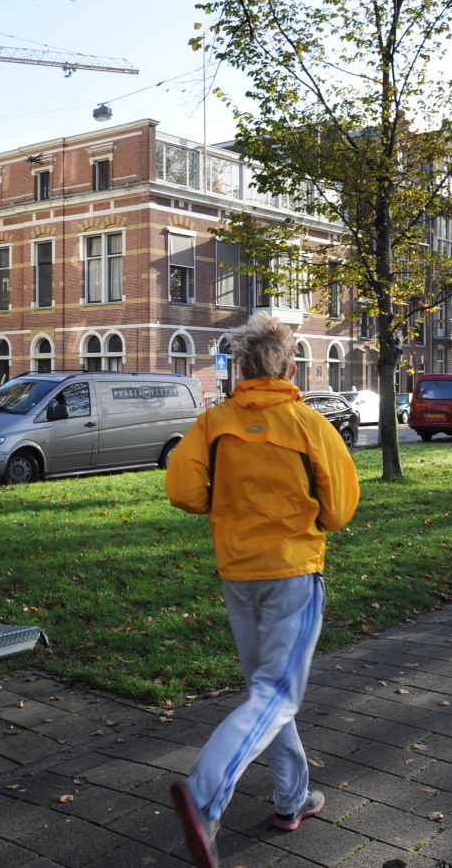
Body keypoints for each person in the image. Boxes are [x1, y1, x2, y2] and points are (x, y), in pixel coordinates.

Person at [163, 313, 360, 868]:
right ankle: (205, 796)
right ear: (289, 366)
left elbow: (182, 489)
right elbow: (341, 510)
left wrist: (227, 507)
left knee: (267, 692)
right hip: (293, 572)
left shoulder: (214, 423)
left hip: (237, 574)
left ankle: (292, 797)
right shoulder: (308, 424)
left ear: (239, 367)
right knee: (277, 694)